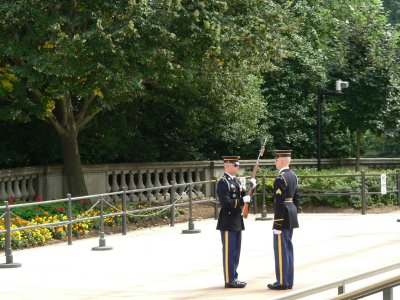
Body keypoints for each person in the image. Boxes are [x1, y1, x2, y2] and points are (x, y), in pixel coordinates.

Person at [216, 156, 256, 288]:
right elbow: (226, 202)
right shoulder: (223, 182)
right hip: (227, 221)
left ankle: (234, 276)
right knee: (229, 251)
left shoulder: (237, 181)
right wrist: (241, 200)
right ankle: (229, 280)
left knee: (236, 252)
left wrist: (252, 187)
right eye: (236, 165)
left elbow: (246, 196)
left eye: (238, 165)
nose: (238, 167)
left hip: (237, 220)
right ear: (227, 165)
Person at [267, 150, 300, 290]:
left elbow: (279, 203)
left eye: (276, 160)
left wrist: (277, 224)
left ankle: (282, 281)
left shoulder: (281, 178)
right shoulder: (293, 175)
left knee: (281, 249)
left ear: (281, 161)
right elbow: (297, 198)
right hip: (291, 212)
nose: (275, 162)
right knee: (288, 248)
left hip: (283, 215)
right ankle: (289, 280)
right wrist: (294, 213)